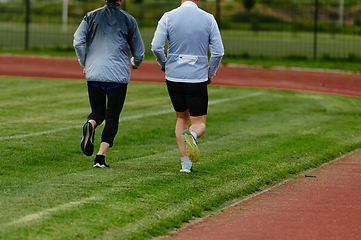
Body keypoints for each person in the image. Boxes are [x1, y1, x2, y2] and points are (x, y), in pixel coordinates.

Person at [151, 0, 224, 173]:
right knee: (199, 122)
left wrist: (164, 64)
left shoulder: (168, 17)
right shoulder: (208, 19)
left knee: (181, 118)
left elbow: (156, 46)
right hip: (196, 77)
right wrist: (209, 73)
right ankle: (192, 136)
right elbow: (218, 52)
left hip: (173, 76)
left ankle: (185, 164)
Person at [73, 0, 144, 168]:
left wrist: (85, 63)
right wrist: (135, 63)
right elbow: (139, 52)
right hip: (117, 76)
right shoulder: (128, 20)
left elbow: (77, 41)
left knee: (97, 112)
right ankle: (100, 157)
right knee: (112, 116)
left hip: (94, 73)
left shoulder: (90, 16)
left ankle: (90, 125)